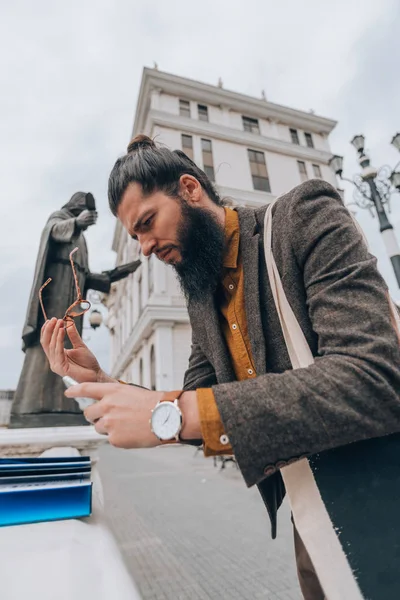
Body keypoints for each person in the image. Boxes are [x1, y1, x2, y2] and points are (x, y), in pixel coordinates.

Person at [41, 136, 400, 598]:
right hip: (314, 520)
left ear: (190, 188)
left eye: (147, 223)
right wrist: (103, 384)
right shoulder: (202, 296)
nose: (145, 248)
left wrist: (166, 415)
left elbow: (374, 375)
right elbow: (194, 406)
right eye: (135, 237)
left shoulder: (305, 216)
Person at [11, 191, 140, 428]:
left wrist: (117, 273)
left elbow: (86, 276)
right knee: (49, 345)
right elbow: (52, 231)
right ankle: (32, 407)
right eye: (86, 212)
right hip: (53, 299)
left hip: (71, 304)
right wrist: (76, 223)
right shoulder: (60, 219)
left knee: (67, 350)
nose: (88, 219)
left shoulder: (82, 240)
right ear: (76, 207)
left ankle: (64, 403)